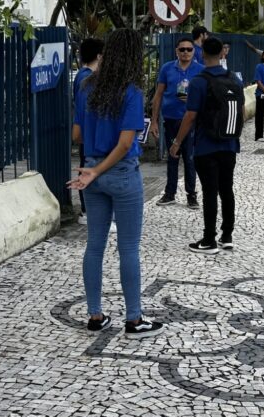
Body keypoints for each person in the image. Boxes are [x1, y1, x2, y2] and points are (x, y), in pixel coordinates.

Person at [69, 28, 164, 339]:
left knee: (94, 246)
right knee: (128, 248)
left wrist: (93, 169)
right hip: (121, 173)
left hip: (91, 171)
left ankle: (95, 315)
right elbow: (125, 144)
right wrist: (101, 169)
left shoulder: (86, 87)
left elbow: (77, 135)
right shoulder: (131, 92)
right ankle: (134, 319)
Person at [169, 37, 243, 255]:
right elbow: (239, 109)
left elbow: (190, 116)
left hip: (206, 145)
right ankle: (227, 236)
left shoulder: (199, 82)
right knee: (226, 189)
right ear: (222, 53)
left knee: (210, 191)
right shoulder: (235, 79)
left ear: (201, 54)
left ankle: (209, 239)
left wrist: (177, 142)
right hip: (230, 144)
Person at [150, 37, 204, 208]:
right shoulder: (167, 68)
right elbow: (158, 94)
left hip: (191, 120)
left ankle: (191, 195)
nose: (185, 52)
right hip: (171, 119)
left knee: (190, 158)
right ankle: (169, 193)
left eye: (189, 49)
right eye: (182, 49)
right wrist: (154, 121)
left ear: (194, 51)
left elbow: (207, 95)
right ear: (176, 51)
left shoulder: (200, 70)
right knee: (172, 156)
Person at [73, 38, 104, 226]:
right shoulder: (87, 78)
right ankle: (87, 211)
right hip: (88, 134)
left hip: (87, 133)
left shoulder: (83, 75)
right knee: (87, 170)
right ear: (99, 56)